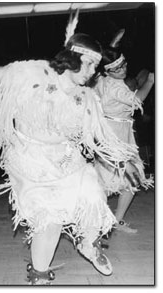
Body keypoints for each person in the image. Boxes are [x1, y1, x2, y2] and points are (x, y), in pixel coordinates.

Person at [0, 12, 141, 284]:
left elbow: (99, 137)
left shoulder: (86, 96)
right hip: (30, 161)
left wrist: (123, 162)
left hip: (66, 159)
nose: (92, 72)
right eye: (89, 64)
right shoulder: (33, 72)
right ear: (73, 57)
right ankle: (39, 274)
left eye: (95, 67)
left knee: (92, 196)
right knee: (49, 219)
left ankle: (88, 243)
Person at [93, 30, 154, 233]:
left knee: (126, 179)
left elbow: (101, 65)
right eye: (117, 68)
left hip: (116, 132)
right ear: (108, 71)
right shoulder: (115, 88)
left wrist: (110, 48)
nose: (123, 69)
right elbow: (137, 102)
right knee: (111, 180)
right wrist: (151, 82)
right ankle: (97, 222)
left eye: (124, 64)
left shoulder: (103, 78)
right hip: (114, 135)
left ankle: (112, 221)